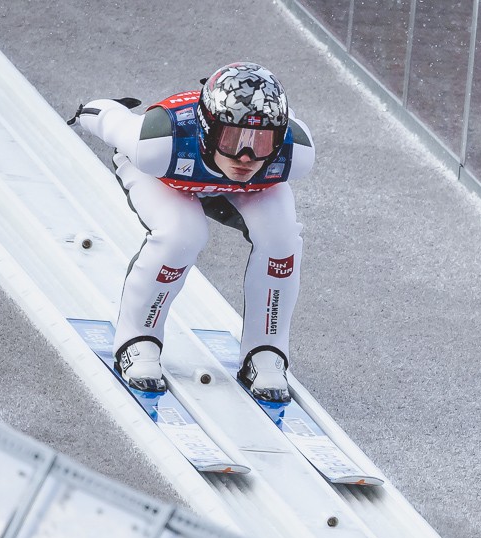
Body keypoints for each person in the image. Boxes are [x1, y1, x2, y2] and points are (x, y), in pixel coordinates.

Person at [69, 62, 314, 403]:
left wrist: (244, 148)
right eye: (232, 138)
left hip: (247, 186)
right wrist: (87, 111)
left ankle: (266, 351)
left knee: (282, 239)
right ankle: (138, 340)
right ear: (207, 130)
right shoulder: (156, 143)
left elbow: (266, 139)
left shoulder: (295, 152)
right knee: (181, 234)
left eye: (261, 142)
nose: (245, 157)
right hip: (165, 176)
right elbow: (109, 120)